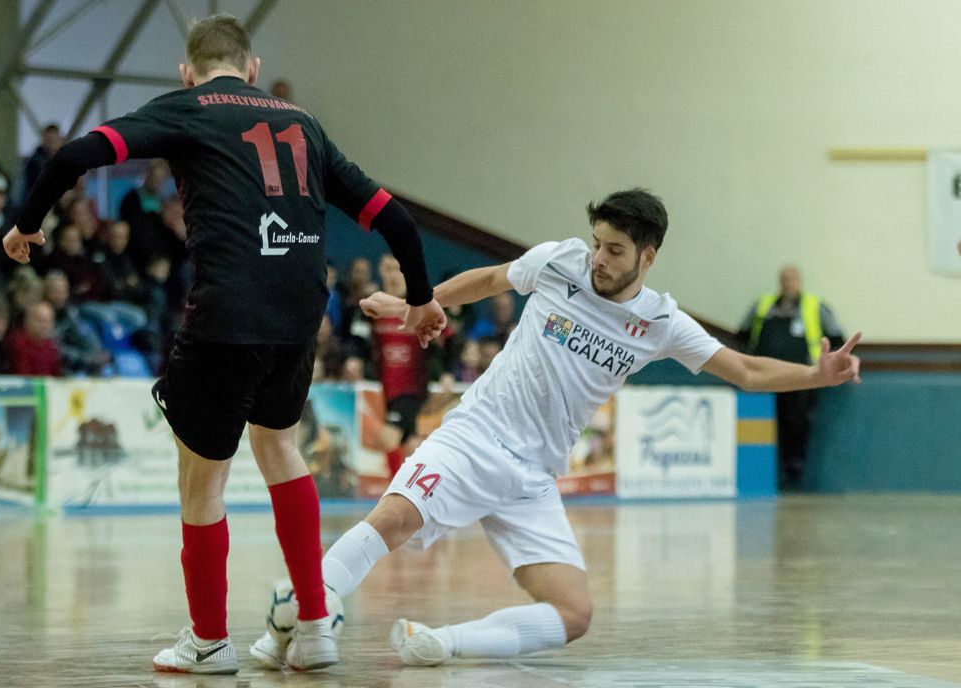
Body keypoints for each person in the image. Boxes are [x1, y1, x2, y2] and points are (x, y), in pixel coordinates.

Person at [250, 188, 862, 669]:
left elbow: (748, 371)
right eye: (598, 242)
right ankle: (308, 610)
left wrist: (817, 373)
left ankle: (438, 642)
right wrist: (421, 303)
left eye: (616, 250)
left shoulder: (661, 322)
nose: (599, 257)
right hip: (477, 436)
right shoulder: (559, 261)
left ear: (648, 257)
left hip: (533, 476)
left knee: (574, 613)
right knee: (393, 517)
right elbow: (491, 281)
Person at [3, 13, 445, 676]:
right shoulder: (303, 124)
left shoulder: (187, 108)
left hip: (225, 314)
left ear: (188, 71)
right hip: (302, 315)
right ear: (254, 68)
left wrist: (26, 226)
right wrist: (421, 298)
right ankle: (316, 625)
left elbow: (73, 156)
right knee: (281, 449)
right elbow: (395, 218)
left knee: (200, 483)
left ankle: (208, 643)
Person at [737, 266, 845, 490]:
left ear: (801, 281)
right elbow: (743, 334)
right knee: (761, 425)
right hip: (764, 377)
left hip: (801, 378)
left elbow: (836, 336)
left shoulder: (815, 305)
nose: (790, 283)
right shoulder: (764, 305)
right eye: (785, 279)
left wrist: (825, 365)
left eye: (794, 278)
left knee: (796, 424)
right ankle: (760, 473)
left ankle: (793, 469)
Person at [371, 253, 429, 475]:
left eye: (398, 268)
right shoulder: (373, 308)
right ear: (381, 271)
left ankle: (394, 492)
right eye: (388, 268)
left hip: (409, 390)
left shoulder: (417, 307)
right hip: (386, 392)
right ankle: (416, 492)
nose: (393, 274)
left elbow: (444, 341)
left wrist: (442, 372)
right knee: (411, 446)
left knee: (388, 437)